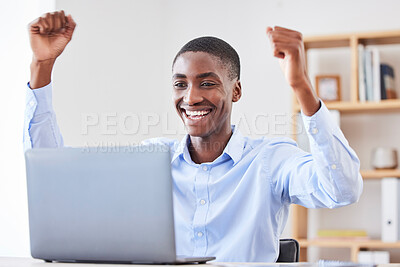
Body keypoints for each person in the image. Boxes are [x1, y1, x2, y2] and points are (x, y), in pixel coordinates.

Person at [24, 11, 363, 262]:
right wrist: (42, 67)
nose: (190, 98)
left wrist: (301, 86)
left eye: (207, 83)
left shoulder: (271, 160)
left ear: (236, 91)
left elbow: (342, 189)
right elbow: (59, 183)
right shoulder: (148, 162)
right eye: (180, 84)